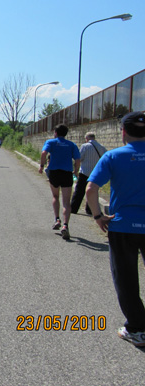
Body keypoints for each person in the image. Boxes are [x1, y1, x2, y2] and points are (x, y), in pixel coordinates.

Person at [86, 111, 145, 347]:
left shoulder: (114, 156)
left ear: (123, 132)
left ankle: (137, 329)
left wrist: (98, 216)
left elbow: (91, 189)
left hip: (123, 225)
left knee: (126, 277)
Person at [38, 124, 80, 240]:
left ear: (55, 132)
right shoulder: (71, 144)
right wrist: (75, 172)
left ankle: (57, 219)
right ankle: (65, 225)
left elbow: (43, 153)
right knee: (66, 202)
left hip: (54, 172)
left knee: (55, 196)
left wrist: (41, 166)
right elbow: (77, 159)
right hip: (67, 173)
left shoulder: (51, 142)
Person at [70, 132, 106, 215]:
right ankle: (90, 209)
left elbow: (80, 157)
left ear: (87, 138)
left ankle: (73, 208)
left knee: (79, 191)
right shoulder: (101, 147)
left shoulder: (85, 146)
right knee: (92, 191)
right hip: (96, 173)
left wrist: (76, 169)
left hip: (85, 172)